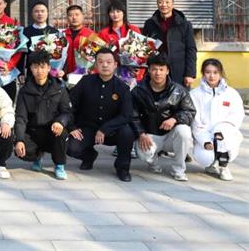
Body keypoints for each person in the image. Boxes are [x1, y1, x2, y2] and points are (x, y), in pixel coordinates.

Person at [67, 48, 135, 182]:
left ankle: (123, 168)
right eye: (100, 62)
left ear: (115, 65)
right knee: (71, 147)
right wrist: (71, 127)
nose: (105, 65)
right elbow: (70, 105)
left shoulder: (122, 87)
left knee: (127, 133)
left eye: (109, 62)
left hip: (112, 131)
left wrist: (105, 129)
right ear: (95, 65)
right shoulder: (85, 82)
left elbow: (127, 115)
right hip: (88, 128)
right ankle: (89, 156)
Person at [132, 54, 196, 181]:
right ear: (148, 70)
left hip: (171, 136)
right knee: (143, 153)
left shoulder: (179, 90)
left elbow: (189, 111)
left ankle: (179, 169)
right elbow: (132, 115)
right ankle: (153, 163)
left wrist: (175, 119)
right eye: (154, 69)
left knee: (184, 131)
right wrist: (141, 134)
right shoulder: (138, 90)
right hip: (149, 135)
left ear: (167, 71)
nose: (158, 73)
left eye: (161, 69)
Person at [14, 50, 72, 180]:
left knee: (61, 133)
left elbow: (67, 112)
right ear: (30, 69)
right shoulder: (25, 91)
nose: (39, 71)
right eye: (35, 67)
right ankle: (37, 156)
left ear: (49, 68)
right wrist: (19, 140)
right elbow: (21, 118)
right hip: (34, 131)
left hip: (53, 130)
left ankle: (59, 165)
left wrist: (60, 122)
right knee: (20, 149)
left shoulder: (59, 88)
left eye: (42, 67)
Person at [190, 58, 244, 181]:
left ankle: (224, 166)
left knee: (226, 143)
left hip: (226, 134)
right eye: (208, 72)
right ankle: (211, 163)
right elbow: (195, 121)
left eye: (215, 72)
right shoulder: (195, 94)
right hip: (205, 133)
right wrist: (205, 141)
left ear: (220, 73)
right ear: (203, 73)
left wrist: (222, 132)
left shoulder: (231, 93)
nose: (212, 76)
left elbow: (237, 115)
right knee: (205, 157)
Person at [142, 0, 197, 87]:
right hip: (156, 71)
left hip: (178, 71)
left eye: (167, 2)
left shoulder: (184, 24)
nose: (164, 5)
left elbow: (191, 49)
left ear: (173, 4)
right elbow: (144, 48)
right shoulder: (149, 23)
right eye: (161, 2)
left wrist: (190, 73)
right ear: (157, 4)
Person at [17, 1, 59, 83]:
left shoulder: (54, 32)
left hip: (51, 73)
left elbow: (59, 54)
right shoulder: (25, 32)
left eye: (42, 11)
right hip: (32, 72)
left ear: (47, 13)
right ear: (32, 14)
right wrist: (21, 72)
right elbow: (21, 54)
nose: (40, 14)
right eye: (36, 11)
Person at [63, 5, 94, 76]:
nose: (74, 17)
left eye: (77, 14)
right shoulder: (62, 35)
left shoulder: (91, 35)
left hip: (84, 75)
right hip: (64, 74)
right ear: (67, 18)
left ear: (82, 16)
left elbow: (96, 57)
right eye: (71, 15)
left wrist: (92, 70)